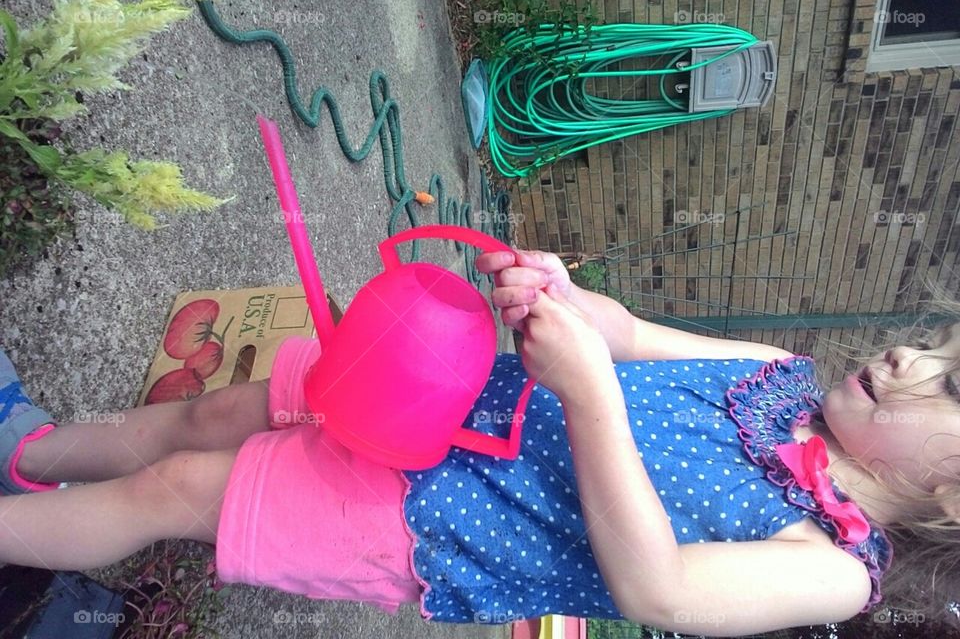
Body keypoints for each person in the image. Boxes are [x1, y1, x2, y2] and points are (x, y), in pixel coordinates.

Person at [1, 249, 958, 635]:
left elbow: (657, 589)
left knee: (175, 489)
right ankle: (29, 455)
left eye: (947, 382)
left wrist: (589, 394)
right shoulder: (779, 375)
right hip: (433, 390)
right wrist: (563, 296)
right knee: (211, 416)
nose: (910, 353)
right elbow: (627, 337)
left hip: (418, 519)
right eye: (935, 345)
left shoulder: (835, 564)